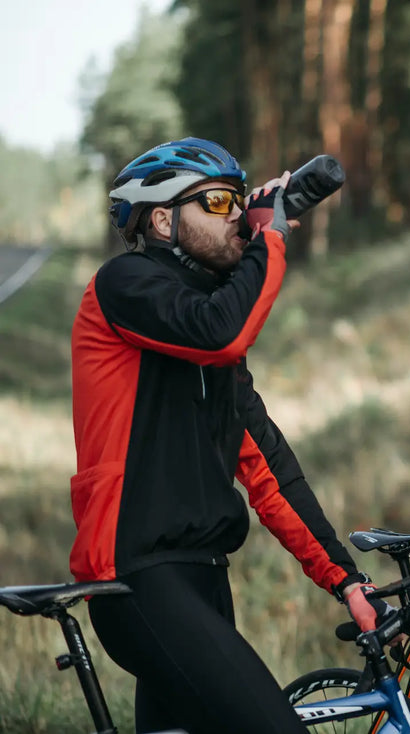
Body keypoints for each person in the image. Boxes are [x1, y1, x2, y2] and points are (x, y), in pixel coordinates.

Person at [70, 137, 388, 734]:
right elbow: (222, 331)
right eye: (216, 202)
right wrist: (268, 237)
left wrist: (344, 578)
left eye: (241, 200)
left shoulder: (204, 333)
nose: (238, 214)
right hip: (140, 578)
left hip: (205, 575)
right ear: (162, 219)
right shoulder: (124, 284)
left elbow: (270, 470)